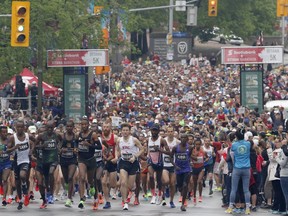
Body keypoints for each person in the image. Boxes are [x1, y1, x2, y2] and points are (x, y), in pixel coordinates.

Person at [116, 123, 144, 210]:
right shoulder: (119, 140)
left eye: (126, 130)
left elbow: (142, 149)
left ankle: (127, 193)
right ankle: (125, 202)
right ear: (121, 131)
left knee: (130, 186)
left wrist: (135, 156)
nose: (125, 132)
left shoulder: (134, 140)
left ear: (129, 131)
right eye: (123, 130)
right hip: (123, 162)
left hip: (133, 163)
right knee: (123, 182)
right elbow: (117, 150)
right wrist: (117, 157)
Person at [77, 117, 102, 209]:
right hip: (81, 159)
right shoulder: (78, 134)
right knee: (82, 178)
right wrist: (76, 148)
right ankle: (81, 198)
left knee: (91, 180)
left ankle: (91, 186)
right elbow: (75, 143)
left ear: (88, 125)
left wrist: (90, 145)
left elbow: (99, 146)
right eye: (82, 124)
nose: (84, 126)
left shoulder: (93, 135)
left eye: (85, 124)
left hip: (91, 159)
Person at [10, 120, 36, 210]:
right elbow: (8, 149)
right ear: (15, 128)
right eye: (18, 127)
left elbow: (35, 142)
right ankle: (20, 199)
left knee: (23, 175)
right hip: (16, 161)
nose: (20, 129)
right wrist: (14, 148)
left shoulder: (28, 136)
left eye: (22, 127)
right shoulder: (12, 137)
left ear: (24, 127)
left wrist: (31, 151)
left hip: (25, 160)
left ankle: (25, 186)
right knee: (17, 182)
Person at [35, 120, 62, 205]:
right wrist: (42, 146)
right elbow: (35, 146)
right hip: (44, 160)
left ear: (53, 128)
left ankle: (50, 193)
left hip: (53, 159)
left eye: (51, 128)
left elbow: (61, 141)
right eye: (48, 128)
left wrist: (59, 147)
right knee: (45, 179)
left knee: (51, 173)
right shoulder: (42, 136)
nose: (50, 129)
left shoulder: (57, 135)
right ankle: (47, 191)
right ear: (46, 128)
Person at [225, 127, 251, 215]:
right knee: (246, 189)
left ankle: (230, 207)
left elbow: (232, 156)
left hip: (237, 168)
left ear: (236, 136)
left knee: (234, 189)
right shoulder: (248, 144)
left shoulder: (234, 145)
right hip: (247, 168)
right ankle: (247, 208)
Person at [147, 123, 170, 205]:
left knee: (159, 180)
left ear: (158, 131)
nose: (154, 132)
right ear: (150, 130)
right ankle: (153, 195)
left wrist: (160, 150)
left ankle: (160, 194)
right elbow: (145, 149)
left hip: (159, 161)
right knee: (151, 176)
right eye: (153, 130)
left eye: (155, 130)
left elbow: (169, 152)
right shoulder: (148, 140)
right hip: (150, 161)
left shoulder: (162, 140)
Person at [171, 133, 192, 211]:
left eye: (185, 137)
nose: (183, 139)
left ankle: (183, 204)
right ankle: (181, 191)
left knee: (185, 185)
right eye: (182, 137)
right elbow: (171, 157)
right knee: (180, 187)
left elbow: (189, 156)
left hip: (186, 169)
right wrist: (175, 166)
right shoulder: (175, 147)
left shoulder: (190, 147)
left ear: (187, 139)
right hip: (178, 169)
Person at [59, 120, 78, 208]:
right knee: (66, 179)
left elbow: (79, 148)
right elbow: (57, 148)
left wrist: (76, 150)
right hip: (63, 159)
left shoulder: (76, 137)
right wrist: (61, 150)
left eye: (71, 126)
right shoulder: (62, 136)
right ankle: (69, 189)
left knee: (70, 178)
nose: (69, 128)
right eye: (68, 126)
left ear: (73, 127)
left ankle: (69, 198)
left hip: (72, 160)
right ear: (66, 127)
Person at [101, 121, 119, 209]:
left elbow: (118, 149)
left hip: (112, 161)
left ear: (110, 128)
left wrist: (116, 157)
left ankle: (124, 183)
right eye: (104, 127)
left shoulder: (114, 137)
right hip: (103, 162)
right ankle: (107, 202)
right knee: (103, 182)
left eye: (107, 127)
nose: (105, 128)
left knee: (112, 184)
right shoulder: (99, 137)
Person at [161, 126, 180, 208]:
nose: (170, 133)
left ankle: (171, 201)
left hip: (173, 165)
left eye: (171, 131)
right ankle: (165, 190)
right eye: (168, 131)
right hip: (164, 165)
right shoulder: (163, 141)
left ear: (174, 132)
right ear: (166, 132)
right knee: (166, 181)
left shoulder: (177, 142)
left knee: (172, 184)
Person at [0, 125, 14, 206]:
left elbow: (13, 151)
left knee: (5, 179)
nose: (5, 134)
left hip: (7, 163)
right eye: (3, 132)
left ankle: (4, 198)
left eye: (6, 132)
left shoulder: (10, 141)